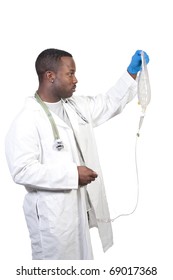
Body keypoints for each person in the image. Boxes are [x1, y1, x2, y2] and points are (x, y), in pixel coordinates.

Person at [5, 48, 149, 260]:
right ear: (50, 76)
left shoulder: (76, 107)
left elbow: (108, 103)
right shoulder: (27, 120)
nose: (76, 79)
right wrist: (73, 175)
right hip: (53, 220)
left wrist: (131, 73)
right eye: (70, 73)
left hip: (78, 211)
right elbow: (22, 171)